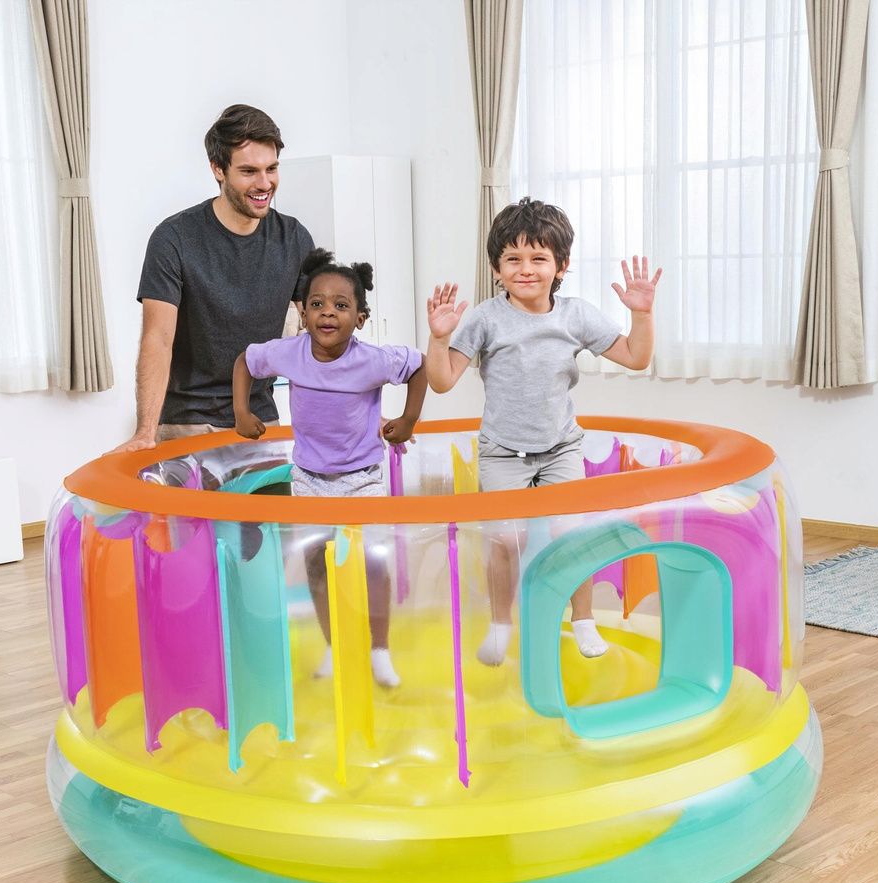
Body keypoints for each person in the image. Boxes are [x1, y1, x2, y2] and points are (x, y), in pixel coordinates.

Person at [423, 197, 661, 665]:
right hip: (502, 450)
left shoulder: (576, 315)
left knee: (570, 535)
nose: (526, 269)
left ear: (561, 266)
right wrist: (438, 338)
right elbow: (442, 381)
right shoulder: (486, 318)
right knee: (504, 541)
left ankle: (583, 619)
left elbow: (636, 357)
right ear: (496, 268)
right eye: (513, 259)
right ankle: (500, 624)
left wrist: (642, 314)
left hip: (560, 448)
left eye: (538, 258)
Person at [234, 250, 428, 688]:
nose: (327, 313)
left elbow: (418, 366)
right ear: (302, 313)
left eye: (341, 305)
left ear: (360, 318)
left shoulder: (373, 360)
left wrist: (408, 420)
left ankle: (379, 649)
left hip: (362, 478)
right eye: (317, 304)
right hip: (308, 478)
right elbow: (245, 361)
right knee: (318, 566)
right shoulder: (288, 353)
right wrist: (241, 412)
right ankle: (332, 646)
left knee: (372, 563)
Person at [112, 105, 314, 454]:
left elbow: (322, 336)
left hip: (259, 418)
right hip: (187, 421)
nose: (264, 183)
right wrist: (145, 432)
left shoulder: (293, 238)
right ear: (218, 169)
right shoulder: (174, 238)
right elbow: (158, 339)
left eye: (271, 168)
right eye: (248, 171)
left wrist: (354, 413)